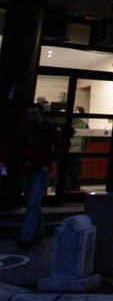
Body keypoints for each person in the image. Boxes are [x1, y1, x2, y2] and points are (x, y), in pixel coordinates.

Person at [0, 103, 62, 249]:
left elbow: (58, 147)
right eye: (29, 113)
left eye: (34, 113)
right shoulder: (24, 128)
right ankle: (39, 231)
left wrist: (48, 164)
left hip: (39, 170)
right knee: (32, 203)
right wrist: (2, 160)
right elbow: (10, 145)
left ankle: (26, 236)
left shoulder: (49, 129)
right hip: (26, 170)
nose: (31, 116)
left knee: (32, 202)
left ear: (41, 114)